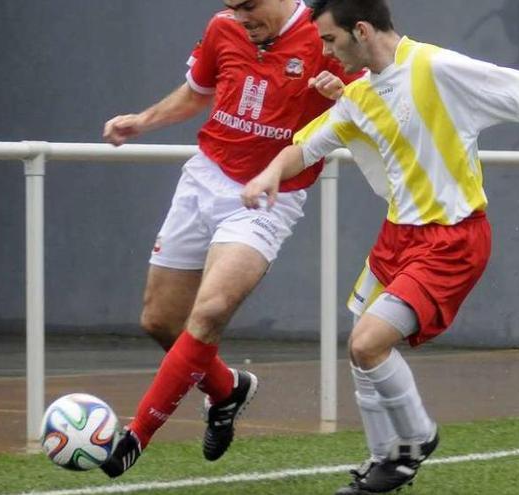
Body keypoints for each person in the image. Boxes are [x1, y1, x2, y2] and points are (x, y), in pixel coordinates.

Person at [241, 0, 519, 493]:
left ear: (361, 30)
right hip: (398, 237)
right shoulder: (359, 95)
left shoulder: (434, 66)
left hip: (451, 238)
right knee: (362, 349)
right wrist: (268, 174)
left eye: (328, 39)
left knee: (368, 343)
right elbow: (303, 147)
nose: (324, 50)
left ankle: (415, 439)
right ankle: (386, 461)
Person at [100, 0, 359, 478]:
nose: (242, 19)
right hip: (204, 178)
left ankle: (136, 435)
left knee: (212, 310)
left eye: (250, 7)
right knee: (160, 321)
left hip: (270, 194)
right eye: (233, 8)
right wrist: (143, 120)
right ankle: (227, 390)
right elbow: (198, 91)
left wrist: (342, 93)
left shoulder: (326, 33)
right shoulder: (224, 28)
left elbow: (370, 107)